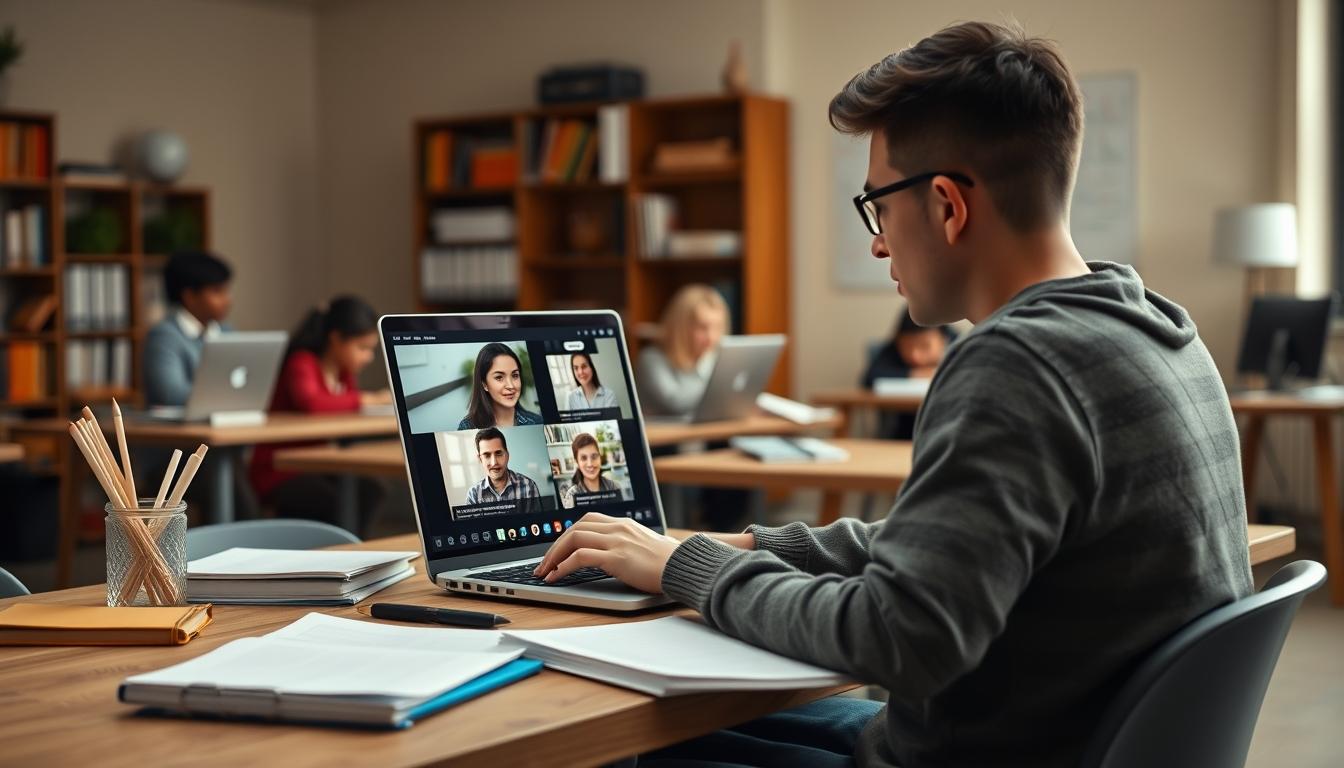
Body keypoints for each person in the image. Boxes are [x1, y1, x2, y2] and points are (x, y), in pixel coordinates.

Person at [533, 21, 1250, 768]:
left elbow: (899, 637)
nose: (878, 242)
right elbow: (951, 547)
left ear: (946, 204)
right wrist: (751, 544)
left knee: (606, 753)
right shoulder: (1157, 330)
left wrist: (689, 571)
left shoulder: (1016, 365)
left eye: (878, 205)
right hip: (1049, 737)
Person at [249, 296, 390, 524]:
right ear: (336, 339)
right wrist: (370, 399)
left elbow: (346, 406)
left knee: (371, 491)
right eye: (362, 348)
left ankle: (354, 547)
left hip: (319, 462)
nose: (368, 357)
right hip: (279, 468)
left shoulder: (344, 374)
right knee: (336, 501)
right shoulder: (302, 362)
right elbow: (312, 403)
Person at [143, 251, 233, 407]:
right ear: (190, 296)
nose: (227, 300)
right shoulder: (164, 336)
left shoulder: (226, 332)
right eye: (217, 291)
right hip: (178, 429)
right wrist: (230, 396)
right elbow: (169, 393)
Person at [861, 308, 957, 439]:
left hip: (950, 431)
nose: (915, 356)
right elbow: (869, 378)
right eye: (907, 346)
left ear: (944, 340)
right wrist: (914, 374)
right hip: (902, 433)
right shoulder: (892, 349)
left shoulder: (962, 346)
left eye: (924, 346)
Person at [636, 284, 728, 416]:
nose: (711, 337)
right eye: (702, 327)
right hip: (665, 434)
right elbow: (675, 402)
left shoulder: (714, 358)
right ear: (681, 327)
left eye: (717, 327)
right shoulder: (651, 359)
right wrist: (722, 387)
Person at [457, 342, 543, 429]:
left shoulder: (537, 421)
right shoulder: (467, 427)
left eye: (515, 375)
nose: (510, 386)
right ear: (484, 384)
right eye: (499, 377)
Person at [464, 427, 541, 506]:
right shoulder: (473, 494)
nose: (494, 463)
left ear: (507, 455)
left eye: (498, 453)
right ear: (480, 460)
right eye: (487, 455)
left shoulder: (528, 486)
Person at [558, 432, 623, 510]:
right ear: (577, 462)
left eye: (594, 456)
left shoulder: (614, 487)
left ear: (600, 458)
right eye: (583, 458)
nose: (590, 464)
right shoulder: (572, 495)